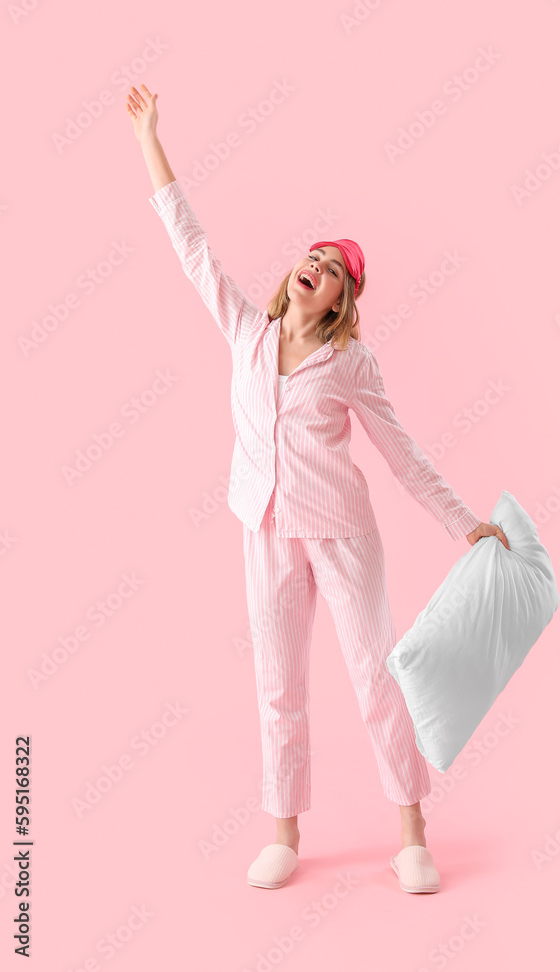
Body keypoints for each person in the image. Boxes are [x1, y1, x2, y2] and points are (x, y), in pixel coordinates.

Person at [126, 83, 510, 894]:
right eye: (314, 256)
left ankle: (411, 831)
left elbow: (401, 451)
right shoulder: (245, 330)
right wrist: (150, 138)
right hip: (263, 528)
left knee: (375, 675)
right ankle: (285, 833)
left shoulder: (351, 364)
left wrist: (463, 522)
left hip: (340, 532)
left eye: (333, 269)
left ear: (343, 300)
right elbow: (190, 241)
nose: (316, 267)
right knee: (278, 682)